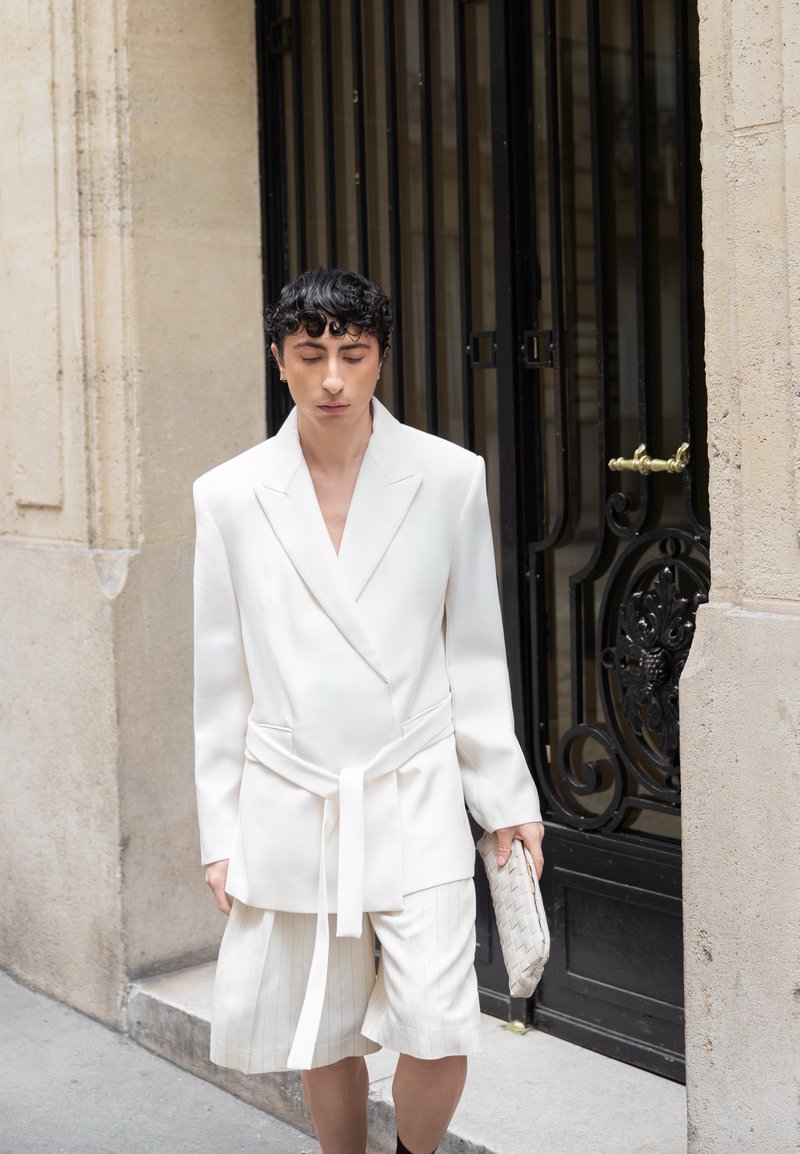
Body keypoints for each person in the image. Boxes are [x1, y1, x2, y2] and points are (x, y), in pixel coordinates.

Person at [192, 267, 544, 1154]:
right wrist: (221, 832)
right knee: (325, 1024)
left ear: (381, 356)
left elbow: (474, 651)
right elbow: (219, 675)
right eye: (311, 355)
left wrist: (505, 801)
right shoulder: (228, 495)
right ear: (280, 360)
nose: (334, 379)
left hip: (413, 783)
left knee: (438, 1018)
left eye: (353, 353)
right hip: (297, 794)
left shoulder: (448, 477)